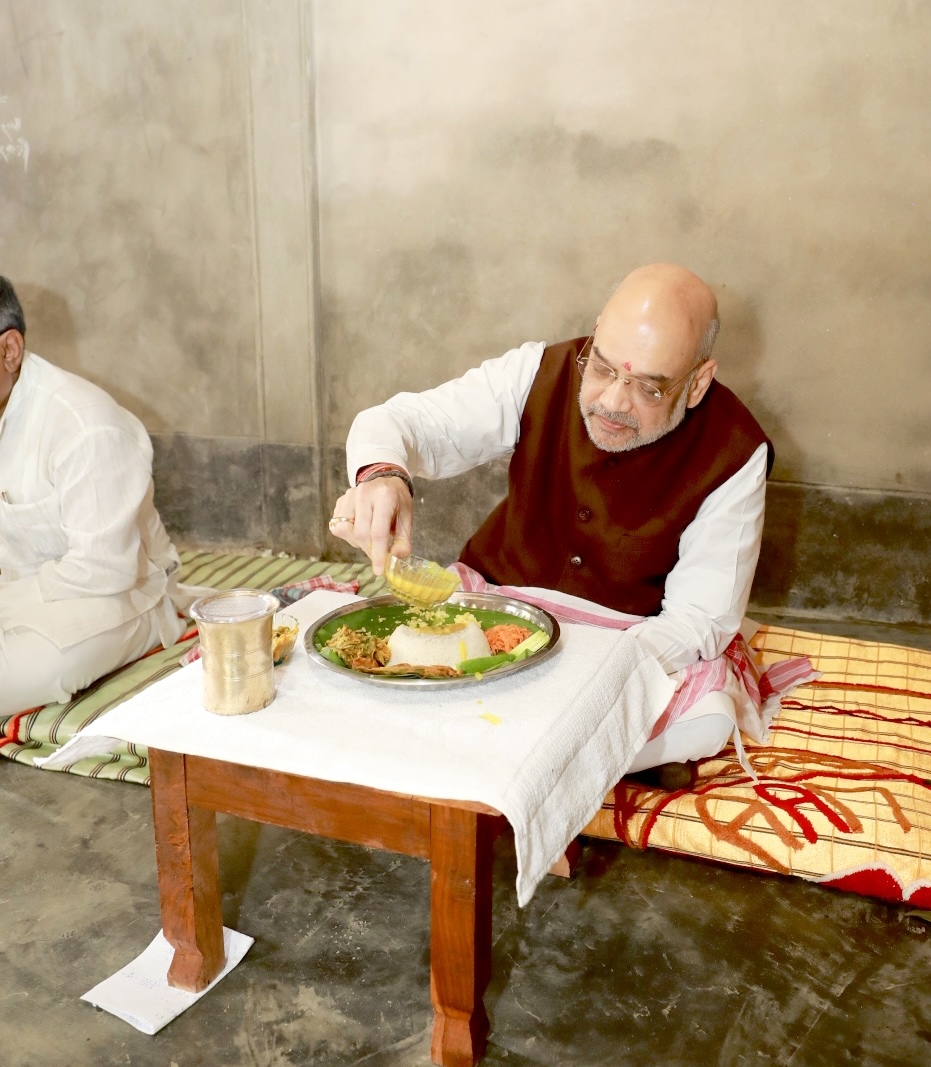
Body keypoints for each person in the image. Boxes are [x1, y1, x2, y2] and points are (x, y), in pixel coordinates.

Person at [329, 263, 772, 776]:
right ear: (598, 331)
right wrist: (382, 474)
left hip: (626, 638)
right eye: (603, 368)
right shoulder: (540, 371)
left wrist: (582, 680)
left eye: (648, 388)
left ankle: (501, 751)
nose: (612, 401)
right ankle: (566, 766)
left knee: (707, 722)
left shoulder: (735, 450)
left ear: (697, 383)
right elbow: (405, 423)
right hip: (497, 606)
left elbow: (699, 619)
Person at [0, 275, 188, 715]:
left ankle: (157, 627)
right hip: (25, 593)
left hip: (122, 594)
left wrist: (6, 604)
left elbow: (105, 570)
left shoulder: (83, 423)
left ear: (9, 351)